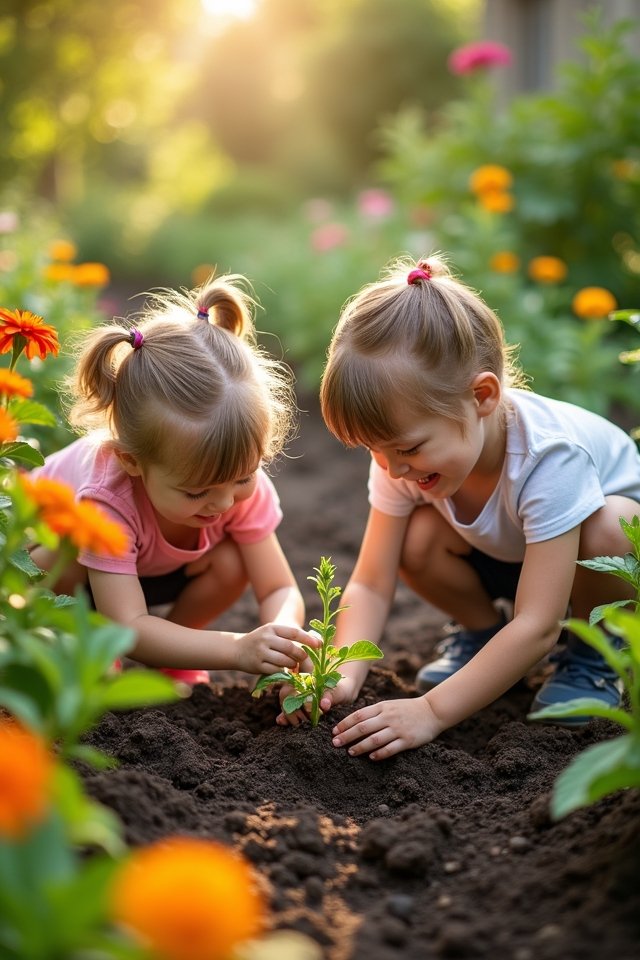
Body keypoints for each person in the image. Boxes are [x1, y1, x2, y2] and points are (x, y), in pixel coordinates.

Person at [315, 254, 640, 760]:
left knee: (612, 527)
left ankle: (593, 657)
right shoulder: (403, 459)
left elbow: (538, 625)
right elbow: (372, 581)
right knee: (416, 539)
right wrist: (342, 672)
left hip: (596, 575)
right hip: (513, 556)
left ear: (483, 396)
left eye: (406, 448)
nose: (390, 467)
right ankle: (482, 636)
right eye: (373, 450)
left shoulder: (548, 458)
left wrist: (431, 711)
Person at [30, 275, 317, 685]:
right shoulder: (107, 498)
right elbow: (129, 624)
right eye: (197, 491)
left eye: (243, 477)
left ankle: (173, 652)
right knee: (64, 549)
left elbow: (277, 588)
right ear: (132, 461)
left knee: (233, 560)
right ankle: (84, 641)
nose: (222, 503)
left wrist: (283, 638)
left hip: (146, 573)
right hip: (61, 581)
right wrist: (236, 648)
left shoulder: (234, 487)